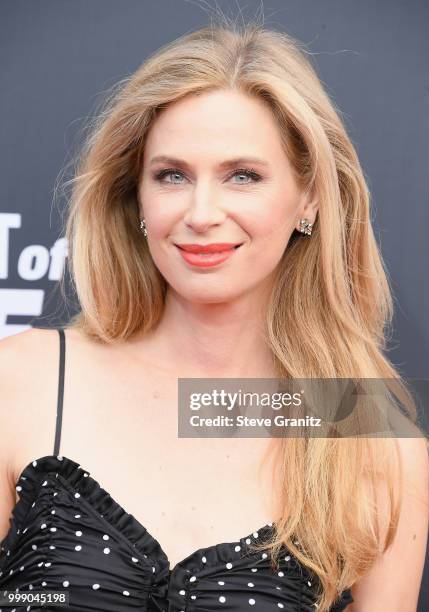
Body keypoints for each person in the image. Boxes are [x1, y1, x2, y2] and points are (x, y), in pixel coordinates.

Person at [1, 19, 428, 612]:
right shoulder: (22, 381)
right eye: (172, 175)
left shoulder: (368, 434)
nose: (202, 212)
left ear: (308, 198)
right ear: (137, 197)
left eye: (242, 176)